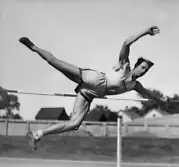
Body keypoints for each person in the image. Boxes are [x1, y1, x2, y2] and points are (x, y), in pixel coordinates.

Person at [19, 26, 166, 150]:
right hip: (92, 79)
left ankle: (37, 134)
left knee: (74, 124)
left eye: (146, 70)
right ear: (136, 65)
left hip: (90, 93)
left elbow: (150, 95)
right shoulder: (125, 65)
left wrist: (164, 100)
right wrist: (146, 31)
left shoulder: (135, 85)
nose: (143, 71)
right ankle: (34, 47)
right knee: (54, 62)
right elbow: (126, 43)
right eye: (143, 68)